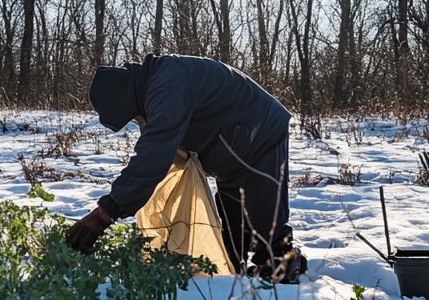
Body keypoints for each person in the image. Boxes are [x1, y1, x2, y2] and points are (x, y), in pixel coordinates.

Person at [66, 53, 306, 282]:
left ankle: (282, 268)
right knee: (233, 236)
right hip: (233, 145)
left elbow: (154, 153)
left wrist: (105, 213)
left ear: (123, 98)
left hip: (259, 133)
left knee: (266, 221)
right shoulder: (156, 82)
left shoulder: (168, 86)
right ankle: (238, 269)